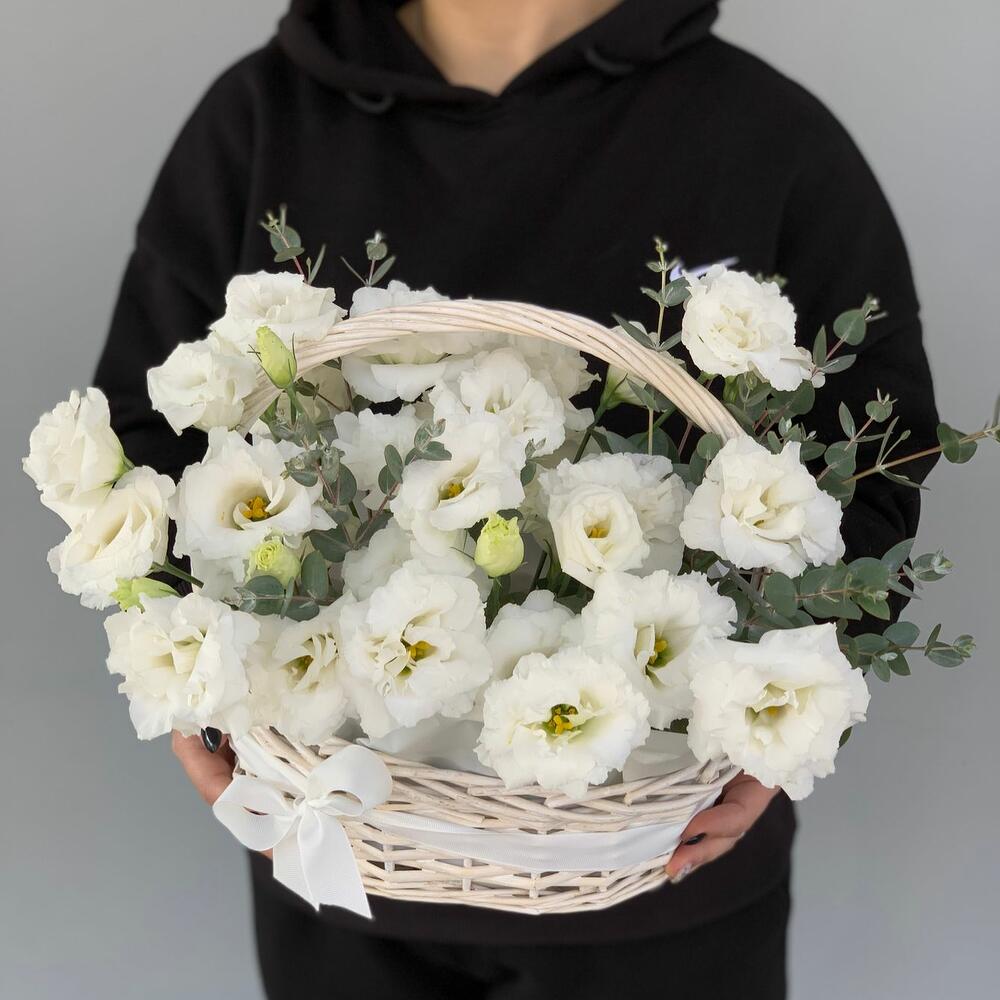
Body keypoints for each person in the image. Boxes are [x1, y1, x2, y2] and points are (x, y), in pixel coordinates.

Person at [94, 1, 939, 997]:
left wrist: (783, 729)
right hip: (342, 877)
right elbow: (139, 442)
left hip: (663, 882)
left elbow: (878, 465)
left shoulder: (767, 134)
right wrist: (190, 698)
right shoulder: (260, 120)